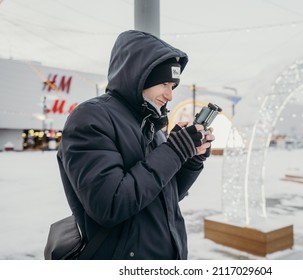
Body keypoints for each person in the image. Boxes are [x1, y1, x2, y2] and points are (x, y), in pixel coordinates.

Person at [57, 30, 215, 259]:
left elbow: (165, 196)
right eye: (164, 84)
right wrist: (174, 151)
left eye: (173, 86)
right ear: (140, 75)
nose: (170, 96)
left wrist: (190, 159)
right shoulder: (91, 117)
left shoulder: (151, 125)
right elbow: (109, 205)